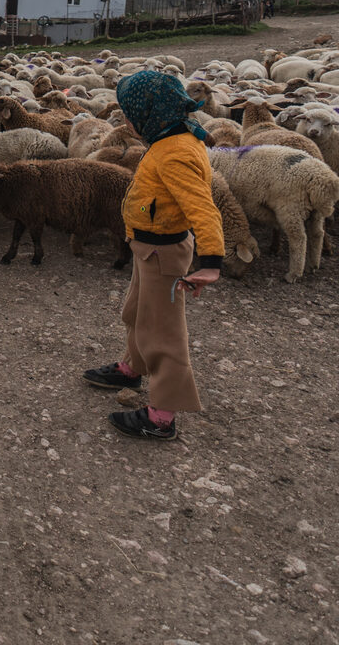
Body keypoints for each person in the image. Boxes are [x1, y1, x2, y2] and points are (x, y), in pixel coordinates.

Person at [82, 70, 223, 441]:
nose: (126, 121)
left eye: (129, 114)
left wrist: (211, 263)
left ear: (150, 113)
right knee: (136, 313)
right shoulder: (169, 138)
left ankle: (162, 416)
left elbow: (203, 209)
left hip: (164, 254)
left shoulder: (176, 153)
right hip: (148, 248)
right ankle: (132, 367)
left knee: (164, 332)